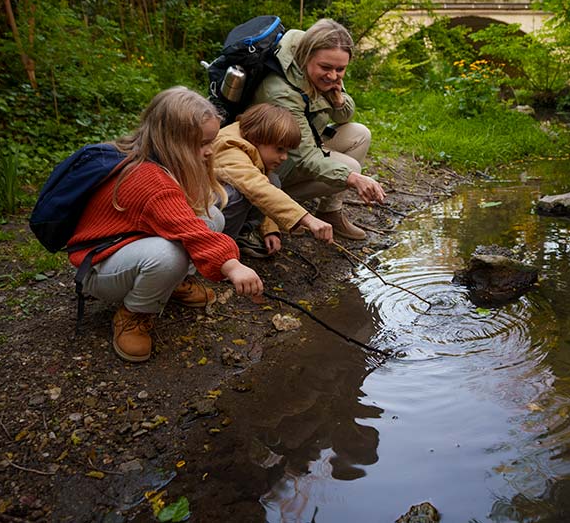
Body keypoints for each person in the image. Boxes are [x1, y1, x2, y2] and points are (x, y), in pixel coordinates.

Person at [67, 86, 264, 363]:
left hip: (128, 243)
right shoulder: (149, 179)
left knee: (213, 217)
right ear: (174, 141)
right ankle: (134, 314)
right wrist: (232, 265)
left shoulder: (155, 156)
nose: (209, 152)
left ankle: (172, 284)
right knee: (169, 255)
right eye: (202, 144)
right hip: (98, 265)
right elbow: (191, 231)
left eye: (211, 142)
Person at [252, 18, 386, 240]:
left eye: (340, 69)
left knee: (359, 134)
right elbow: (305, 157)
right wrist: (352, 178)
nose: (333, 76)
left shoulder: (323, 65)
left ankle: (330, 211)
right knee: (349, 167)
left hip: (302, 141)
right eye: (326, 68)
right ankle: (275, 207)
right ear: (306, 58)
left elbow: (344, 115)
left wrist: (337, 97)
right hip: (267, 164)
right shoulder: (282, 92)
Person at [213, 102, 334, 258]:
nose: (284, 157)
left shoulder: (251, 141)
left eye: (287, 151)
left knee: (273, 181)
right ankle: (219, 253)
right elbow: (256, 188)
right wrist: (307, 219)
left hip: (213, 202)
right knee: (239, 195)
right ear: (257, 138)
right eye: (279, 149)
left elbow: (263, 184)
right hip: (200, 210)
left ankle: (240, 235)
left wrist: (269, 229)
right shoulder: (229, 146)